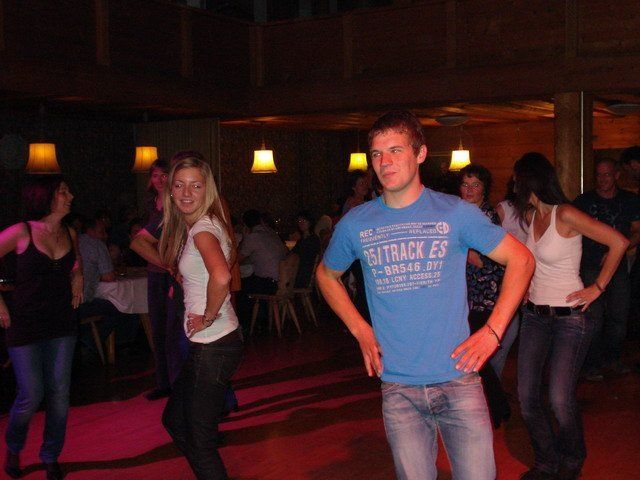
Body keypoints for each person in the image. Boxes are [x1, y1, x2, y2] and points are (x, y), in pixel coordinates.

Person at [317, 111, 534, 480]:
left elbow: (522, 260)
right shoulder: (356, 223)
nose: (384, 162)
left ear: (420, 154)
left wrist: (493, 331)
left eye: (395, 150)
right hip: (398, 386)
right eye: (377, 154)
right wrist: (360, 329)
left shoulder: (455, 213)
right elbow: (326, 274)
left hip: (458, 378)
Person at [513, 152, 629, 480]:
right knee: (526, 397)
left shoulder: (564, 213)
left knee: (559, 398)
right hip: (534, 316)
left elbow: (619, 242)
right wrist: (526, 289)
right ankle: (546, 461)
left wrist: (597, 287)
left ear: (529, 180)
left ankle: (572, 457)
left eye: (517, 179)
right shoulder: (530, 215)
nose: (514, 185)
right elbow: (532, 262)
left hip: (569, 318)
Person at [158, 155, 242, 480]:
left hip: (214, 344)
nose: (186, 193)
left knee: (200, 441)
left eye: (195, 185)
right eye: (179, 185)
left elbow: (221, 276)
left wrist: (207, 316)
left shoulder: (202, 229)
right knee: (174, 421)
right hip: (214, 344)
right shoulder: (202, 225)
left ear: (207, 190)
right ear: (170, 190)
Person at [0, 176, 83, 480]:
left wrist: (78, 276)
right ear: (46, 197)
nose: (70, 196)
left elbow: (75, 262)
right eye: (63, 192)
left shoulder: (69, 232)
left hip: (62, 323)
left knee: (59, 394)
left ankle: (50, 456)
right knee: (31, 394)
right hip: (25, 324)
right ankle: (14, 446)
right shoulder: (21, 231)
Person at [573, 158, 640, 379]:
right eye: (599, 175)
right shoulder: (583, 201)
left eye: (607, 175)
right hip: (589, 267)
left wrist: (617, 251)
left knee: (619, 316)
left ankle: (613, 359)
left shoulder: (629, 200)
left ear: (617, 175)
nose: (602, 179)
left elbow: (637, 231)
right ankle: (591, 365)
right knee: (594, 318)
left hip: (618, 268)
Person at [458, 164, 511, 428]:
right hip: (466, 297)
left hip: (486, 297)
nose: (469, 190)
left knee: (476, 357)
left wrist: (455, 245)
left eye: (475, 185)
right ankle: (498, 408)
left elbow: (483, 261)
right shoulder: (461, 213)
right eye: (465, 184)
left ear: (484, 189)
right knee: (474, 357)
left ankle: (497, 408)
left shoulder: (487, 216)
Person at [131, 158, 188, 400]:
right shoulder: (153, 204)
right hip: (157, 272)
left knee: (173, 331)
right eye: (155, 175)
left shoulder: (175, 203)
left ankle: (176, 383)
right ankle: (165, 382)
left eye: (164, 175)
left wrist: (169, 266)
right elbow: (142, 241)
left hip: (172, 272)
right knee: (158, 329)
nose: (160, 179)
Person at [291, 211, 321, 288]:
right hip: (297, 271)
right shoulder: (301, 240)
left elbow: (307, 258)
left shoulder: (313, 239)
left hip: (304, 274)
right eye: (299, 221)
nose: (301, 223)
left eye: (304, 221)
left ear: (310, 222)